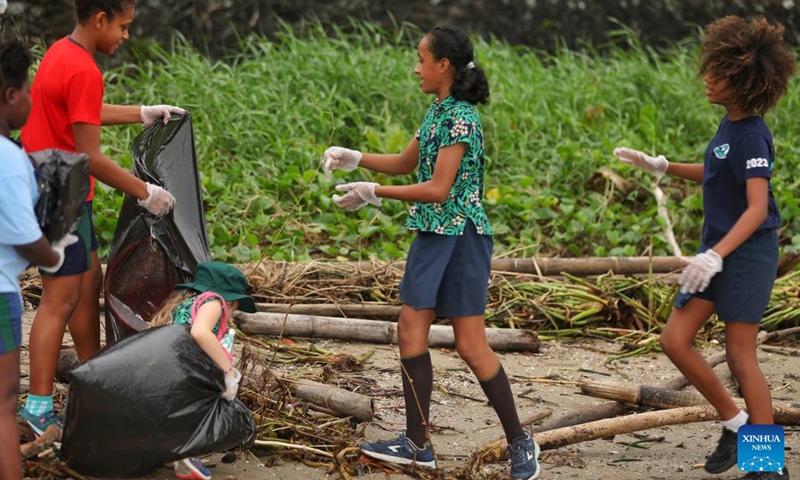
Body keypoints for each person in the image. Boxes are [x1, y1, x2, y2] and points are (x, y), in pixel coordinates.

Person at [321, 25, 540, 480]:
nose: (416, 68)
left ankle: (522, 441)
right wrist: (355, 158)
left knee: (471, 345)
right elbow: (407, 163)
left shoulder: (463, 117)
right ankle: (416, 444)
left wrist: (374, 192)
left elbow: (440, 189)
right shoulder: (437, 110)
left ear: (444, 65)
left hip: (460, 235)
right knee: (409, 331)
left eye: (422, 60)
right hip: (431, 233)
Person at [614, 16, 796, 480]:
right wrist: (663, 165)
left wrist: (717, 255)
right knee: (674, 340)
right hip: (715, 251)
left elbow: (757, 207)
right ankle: (736, 424)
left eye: (719, 74)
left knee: (740, 354)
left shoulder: (754, 133)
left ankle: (765, 464)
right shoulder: (729, 126)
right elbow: (717, 169)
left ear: (744, 80)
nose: (708, 79)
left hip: (748, 252)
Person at [18, 0, 185, 435]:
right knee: (60, 299)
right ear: (99, 20)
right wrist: (144, 191)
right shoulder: (84, 69)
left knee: (89, 279)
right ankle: (37, 407)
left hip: (50, 182)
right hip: (61, 193)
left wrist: (140, 112)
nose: (125, 36)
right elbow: (89, 156)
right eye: (123, 27)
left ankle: (93, 378)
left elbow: (82, 115)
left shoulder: (61, 53)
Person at [0, 39, 78, 480]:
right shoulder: (8, 158)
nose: (31, 99)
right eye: (26, 90)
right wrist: (54, 253)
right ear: (11, 95)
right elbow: (26, 238)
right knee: (3, 405)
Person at [149, 261, 257, 480]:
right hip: (189, 370)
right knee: (200, 411)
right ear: (229, 299)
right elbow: (200, 333)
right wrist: (227, 371)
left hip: (170, 368)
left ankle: (175, 452)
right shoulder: (213, 301)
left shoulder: (187, 303)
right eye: (235, 305)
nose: (233, 312)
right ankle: (188, 458)